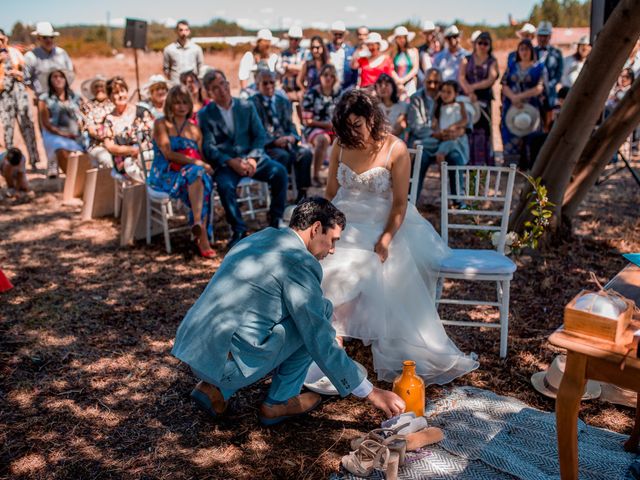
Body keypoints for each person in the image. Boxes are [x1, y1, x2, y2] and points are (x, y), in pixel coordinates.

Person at [172, 197, 406, 424]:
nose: (333, 250)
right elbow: (318, 337)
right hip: (227, 366)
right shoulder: (299, 262)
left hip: (196, 352)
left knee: (301, 313)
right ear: (316, 229)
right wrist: (371, 391)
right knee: (320, 312)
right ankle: (279, 402)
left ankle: (216, 391)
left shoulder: (261, 237)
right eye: (333, 240)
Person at [322, 89, 478, 383]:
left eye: (357, 126)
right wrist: (324, 228)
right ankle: (332, 341)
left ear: (371, 118)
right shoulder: (341, 145)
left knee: (364, 264)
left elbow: (399, 203)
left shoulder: (396, 149)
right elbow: (331, 194)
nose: (352, 133)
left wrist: (385, 238)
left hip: (383, 222)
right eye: (346, 127)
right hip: (344, 220)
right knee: (323, 263)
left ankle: (339, 340)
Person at [198, 69, 288, 249]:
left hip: (252, 158)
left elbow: (260, 136)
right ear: (209, 93)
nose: (222, 90)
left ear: (228, 84)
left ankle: (275, 219)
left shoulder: (246, 106)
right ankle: (238, 229)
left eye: (223, 84)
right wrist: (231, 161)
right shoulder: (205, 114)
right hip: (227, 163)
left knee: (279, 172)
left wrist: (253, 158)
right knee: (224, 186)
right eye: (215, 88)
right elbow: (209, 147)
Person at [148, 85, 215, 258]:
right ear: (170, 104)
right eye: (177, 103)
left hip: (190, 174)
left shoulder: (194, 128)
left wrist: (201, 164)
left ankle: (199, 225)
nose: (181, 106)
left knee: (201, 178)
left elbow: (201, 155)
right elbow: (168, 154)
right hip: (166, 173)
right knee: (199, 174)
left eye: (185, 102)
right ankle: (201, 233)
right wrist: (198, 163)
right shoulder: (161, 124)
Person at [252, 70, 312, 202]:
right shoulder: (252, 103)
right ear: (258, 85)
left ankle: (302, 194)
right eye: (265, 83)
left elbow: (291, 125)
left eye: (271, 82)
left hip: (286, 142)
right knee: (282, 155)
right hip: (268, 146)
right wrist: (274, 141)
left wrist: (293, 137)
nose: (269, 86)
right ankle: (279, 197)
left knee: (306, 153)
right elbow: (256, 130)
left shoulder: (283, 101)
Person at [501, 39, 545, 168]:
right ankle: (511, 165)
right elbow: (504, 85)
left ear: (532, 51)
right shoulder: (512, 66)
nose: (524, 52)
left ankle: (530, 166)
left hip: (531, 106)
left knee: (531, 134)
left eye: (527, 49)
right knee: (511, 133)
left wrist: (519, 97)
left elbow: (540, 87)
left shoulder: (539, 67)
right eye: (522, 49)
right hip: (511, 106)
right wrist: (513, 98)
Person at [0, 30, 41, 169]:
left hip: (19, 91)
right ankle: (11, 162)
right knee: (8, 129)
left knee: (27, 125)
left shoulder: (14, 52)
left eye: (1, 39)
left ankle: (34, 160)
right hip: (4, 95)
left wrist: (17, 73)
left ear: (6, 38)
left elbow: (26, 72)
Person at [102, 76, 154, 182]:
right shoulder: (109, 119)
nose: (120, 95)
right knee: (131, 164)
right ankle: (147, 190)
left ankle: (150, 190)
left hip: (146, 154)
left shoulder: (142, 112)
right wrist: (132, 151)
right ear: (110, 97)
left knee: (148, 159)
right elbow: (110, 146)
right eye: (116, 93)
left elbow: (154, 134)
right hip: (123, 159)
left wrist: (140, 150)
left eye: (122, 91)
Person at [458, 31, 499, 166]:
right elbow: (461, 77)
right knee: (467, 128)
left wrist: (473, 88)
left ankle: (482, 161)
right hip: (466, 97)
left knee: (483, 130)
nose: (482, 46)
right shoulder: (466, 59)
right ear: (475, 44)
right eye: (480, 43)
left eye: (485, 43)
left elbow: (491, 78)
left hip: (483, 99)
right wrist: (468, 91)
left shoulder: (492, 61)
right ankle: (466, 160)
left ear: (489, 45)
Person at [38, 69, 84, 178]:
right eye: (55, 77)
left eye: (61, 76)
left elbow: (83, 114)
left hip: (75, 132)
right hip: (54, 132)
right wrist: (62, 133)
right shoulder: (44, 99)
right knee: (60, 147)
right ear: (50, 80)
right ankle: (70, 177)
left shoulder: (75, 96)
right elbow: (45, 123)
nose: (58, 79)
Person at [301, 64, 341, 187]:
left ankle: (338, 176)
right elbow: (307, 120)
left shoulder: (337, 93)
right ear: (320, 76)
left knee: (347, 139)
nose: (328, 78)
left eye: (331, 75)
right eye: (325, 75)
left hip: (333, 128)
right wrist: (326, 125)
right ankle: (316, 175)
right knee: (323, 140)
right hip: (314, 128)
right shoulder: (311, 93)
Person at [406, 68, 440, 197]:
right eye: (429, 81)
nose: (432, 86)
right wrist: (435, 134)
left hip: (441, 142)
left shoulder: (446, 96)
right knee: (421, 158)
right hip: (422, 141)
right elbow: (416, 126)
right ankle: (411, 198)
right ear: (424, 81)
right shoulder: (416, 97)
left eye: (436, 82)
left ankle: (457, 200)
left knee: (454, 156)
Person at [24, 22, 74, 97]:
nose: (49, 40)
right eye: (45, 37)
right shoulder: (30, 56)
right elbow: (26, 79)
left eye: (51, 37)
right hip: (43, 97)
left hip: (62, 95)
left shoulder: (61, 53)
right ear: (38, 38)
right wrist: (38, 90)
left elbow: (69, 73)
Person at [432, 80, 469, 171]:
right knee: (439, 156)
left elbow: (465, 120)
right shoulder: (439, 107)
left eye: (449, 92)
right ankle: (443, 182)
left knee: (441, 155)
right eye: (443, 91)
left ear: (456, 94)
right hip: (444, 138)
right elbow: (435, 125)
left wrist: (453, 127)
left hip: (458, 140)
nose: (445, 95)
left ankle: (445, 181)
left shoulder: (460, 105)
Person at [80, 75, 114, 168]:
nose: (99, 89)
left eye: (102, 86)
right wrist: (107, 135)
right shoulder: (88, 106)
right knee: (107, 160)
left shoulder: (114, 103)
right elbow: (91, 129)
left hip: (117, 143)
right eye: (96, 87)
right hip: (97, 145)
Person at [534, 21, 563, 129]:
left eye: (545, 36)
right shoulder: (531, 52)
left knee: (548, 122)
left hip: (550, 93)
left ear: (550, 37)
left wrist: (548, 86)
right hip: (534, 93)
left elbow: (559, 73)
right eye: (541, 36)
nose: (543, 39)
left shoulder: (556, 53)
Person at [238, 29, 280, 95]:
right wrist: (245, 93)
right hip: (252, 91)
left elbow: (277, 78)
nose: (267, 44)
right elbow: (243, 78)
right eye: (265, 41)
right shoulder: (249, 57)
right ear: (258, 43)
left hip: (270, 92)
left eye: (269, 41)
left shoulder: (274, 58)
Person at [163, 20, 204, 84]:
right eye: (181, 30)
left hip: (192, 86)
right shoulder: (168, 49)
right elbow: (166, 69)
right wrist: (173, 81)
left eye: (186, 30)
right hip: (176, 85)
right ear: (176, 31)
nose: (184, 32)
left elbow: (200, 67)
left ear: (189, 31)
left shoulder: (197, 49)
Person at [277, 26, 308, 104]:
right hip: (286, 91)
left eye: (296, 39)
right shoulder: (283, 54)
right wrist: (298, 70)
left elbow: (305, 70)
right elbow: (280, 71)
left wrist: (288, 67)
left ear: (300, 40)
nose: (294, 41)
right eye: (291, 39)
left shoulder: (305, 53)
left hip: (302, 90)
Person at [389, 26, 420, 99]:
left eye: (403, 37)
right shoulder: (394, 53)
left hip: (410, 83)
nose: (401, 40)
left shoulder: (413, 51)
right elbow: (391, 68)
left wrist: (404, 80)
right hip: (397, 83)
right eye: (399, 38)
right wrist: (398, 81)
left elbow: (415, 68)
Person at [375, 73, 407, 137]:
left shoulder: (402, 106)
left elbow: (400, 127)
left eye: (386, 85)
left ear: (393, 87)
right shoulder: (374, 107)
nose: (383, 88)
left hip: (398, 142)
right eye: (380, 85)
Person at [327, 21, 357, 90]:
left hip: (346, 88)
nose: (338, 36)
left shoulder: (351, 51)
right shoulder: (326, 49)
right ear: (332, 34)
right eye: (335, 34)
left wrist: (353, 87)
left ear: (344, 35)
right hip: (328, 88)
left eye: (340, 34)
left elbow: (355, 71)